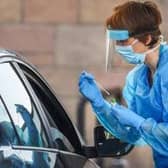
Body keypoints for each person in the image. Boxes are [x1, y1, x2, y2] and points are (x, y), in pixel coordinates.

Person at [78, 1, 168, 168]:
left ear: (147, 38)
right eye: (116, 42)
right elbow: (131, 135)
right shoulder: (136, 78)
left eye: (123, 41)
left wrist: (140, 122)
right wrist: (100, 105)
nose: (119, 48)